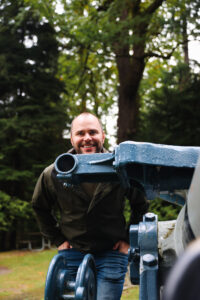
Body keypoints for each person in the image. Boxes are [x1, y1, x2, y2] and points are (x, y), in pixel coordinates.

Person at [32, 112, 148, 300]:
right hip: (72, 251)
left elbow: (140, 204)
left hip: (112, 252)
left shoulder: (121, 169)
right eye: (80, 133)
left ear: (103, 135)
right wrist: (58, 238)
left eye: (93, 132)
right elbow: (40, 206)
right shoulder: (53, 173)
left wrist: (128, 239)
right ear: (71, 139)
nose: (87, 138)